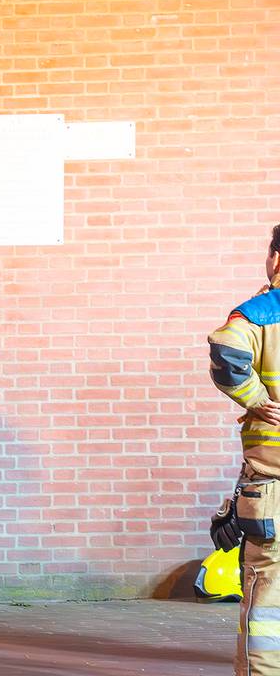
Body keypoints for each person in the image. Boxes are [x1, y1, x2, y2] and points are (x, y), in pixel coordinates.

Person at [207, 224, 280, 676]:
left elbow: (227, 351)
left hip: (273, 486)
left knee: (267, 596)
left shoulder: (260, 313)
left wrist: (256, 399)